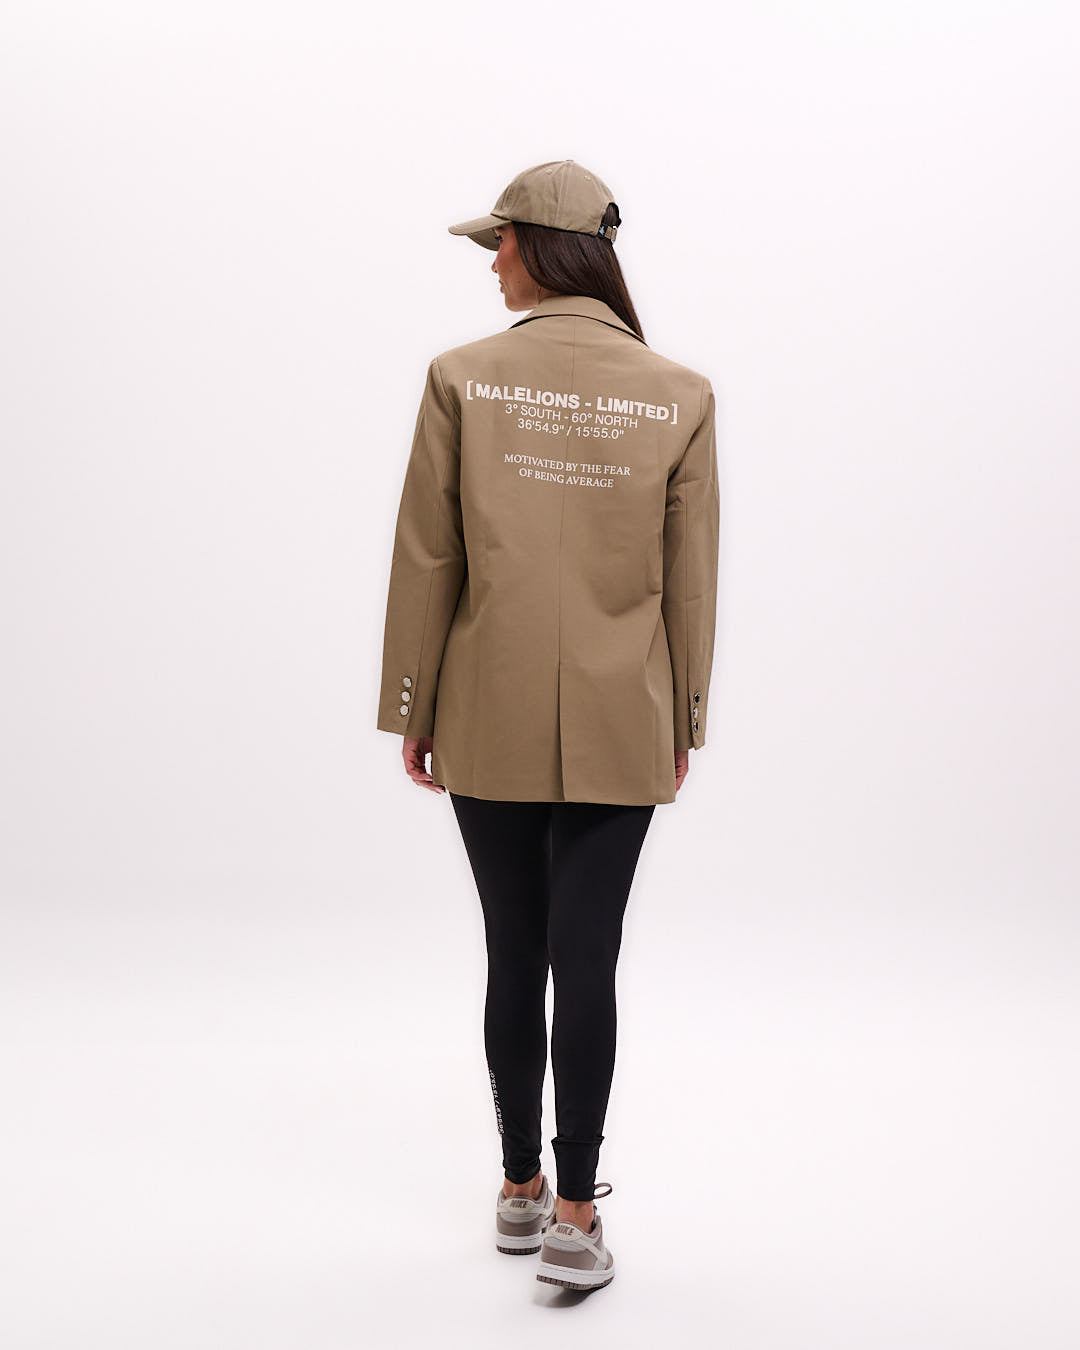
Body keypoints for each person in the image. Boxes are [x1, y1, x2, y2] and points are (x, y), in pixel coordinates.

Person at [376, 159, 720, 1292]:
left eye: (502, 243)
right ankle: (576, 1215)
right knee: (588, 956)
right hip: (627, 715)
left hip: (486, 704)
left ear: (541, 245)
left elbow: (430, 556)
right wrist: (685, 717)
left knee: (515, 949)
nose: (493, 262)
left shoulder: (461, 379)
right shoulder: (679, 393)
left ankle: (521, 1186)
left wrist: (413, 703)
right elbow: (690, 578)